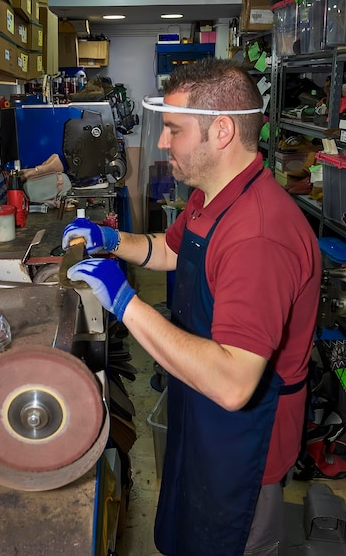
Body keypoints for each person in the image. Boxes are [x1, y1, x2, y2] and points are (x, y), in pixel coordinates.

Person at [62, 58, 322, 555]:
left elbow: (232, 383)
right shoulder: (211, 196)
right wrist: (111, 239)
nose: (161, 142)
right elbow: (170, 251)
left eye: (174, 130)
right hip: (198, 409)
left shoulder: (260, 236)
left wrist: (124, 301)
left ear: (221, 131)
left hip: (243, 442)